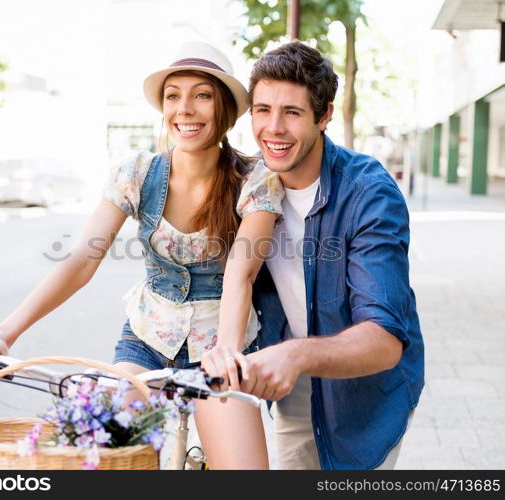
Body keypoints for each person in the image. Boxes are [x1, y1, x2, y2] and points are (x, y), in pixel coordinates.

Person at [0, 41, 284, 469]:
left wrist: (227, 352)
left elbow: (241, 274)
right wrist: (5, 333)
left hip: (221, 345)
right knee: (103, 455)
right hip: (148, 343)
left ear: (225, 110)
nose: (185, 109)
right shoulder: (137, 172)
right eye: (173, 96)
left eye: (202, 95)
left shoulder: (255, 180)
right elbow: (82, 259)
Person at [202, 41, 424, 470]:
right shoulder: (251, 186)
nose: (273, 128)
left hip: (364, 392)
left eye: (292, 112)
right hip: (293, 384)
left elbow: (384, 340)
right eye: (262, 110)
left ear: (324, 117)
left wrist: (295, 354)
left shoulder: (369, 193)